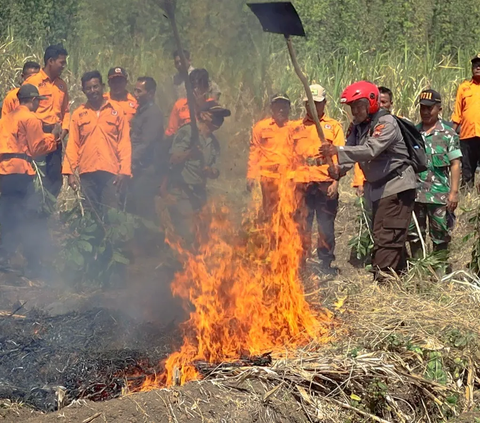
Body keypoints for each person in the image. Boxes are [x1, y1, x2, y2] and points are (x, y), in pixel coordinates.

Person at [320, 81, 416, 281]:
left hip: (396, 186)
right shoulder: (357, 127)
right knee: (384, 234)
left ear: (371, 103)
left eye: (359, 105)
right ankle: (400, 278)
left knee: (387, 235)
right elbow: (352, 152)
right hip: (377, 188)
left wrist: (336, 150)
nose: (355, 111)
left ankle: (383, 283)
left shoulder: (386, 123)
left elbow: (370, 150)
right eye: (352, 107)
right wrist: (338, 170)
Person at [0, 84, 60, 274]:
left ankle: (5, 256)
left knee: (7, 213)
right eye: (38, 102)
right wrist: (54, 139)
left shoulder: (5, 118)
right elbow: (37, 148)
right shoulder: (31, 118)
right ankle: (27, 259)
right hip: (21, 171)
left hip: (4, 171)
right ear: (33, 100)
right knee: (25, 215)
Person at [291, 85, 345, 274]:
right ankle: (300, 263)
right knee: (301, 225)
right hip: (302, 181)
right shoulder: (296, 127)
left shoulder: (333, 126)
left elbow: (341, 158)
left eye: (317, 104)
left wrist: (336, 182)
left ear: (324, 104)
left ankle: (325, 263)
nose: (312, 108)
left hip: (324, 181)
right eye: (309, 104)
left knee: (325, 225)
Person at [62, 71, 131, 217]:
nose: (93, 91)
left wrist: (124, 171)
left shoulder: (117, 111)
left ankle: (112, 241)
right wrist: (70, 172)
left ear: (102, 86)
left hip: (111, 173)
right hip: (87, 173)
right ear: (83, 91)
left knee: (111, 214)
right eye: (88, 88)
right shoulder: (79, 114)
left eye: (95, 86)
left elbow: (124, 143)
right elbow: (73, 144)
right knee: (90, 215)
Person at [166, 100, 230, 247]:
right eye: (216, 115)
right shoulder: (187, 132)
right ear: (203, 115)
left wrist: (210, 171)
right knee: (187, 233)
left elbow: (216, 171)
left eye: (221, 116)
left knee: (203, 233)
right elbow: (173, 159)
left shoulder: (214, 144)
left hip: (199, 193)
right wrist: (190, 153)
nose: (219, 119)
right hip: (182, 191)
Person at [408, 90, 461, 266]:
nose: (425, 112)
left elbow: (455, 164)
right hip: (416, 194)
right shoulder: (413, 133)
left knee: (440, 235)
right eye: (422, 108)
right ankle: (419, 269)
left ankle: (439, 271)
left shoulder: (448, 134)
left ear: (439, 109)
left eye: (430, 108)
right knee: (415, 234)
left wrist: (454, 192)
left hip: (439, 195)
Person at [26, 44, 70, 198]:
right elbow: (24, 111)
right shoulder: (32, 82)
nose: (64, 66)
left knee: (55, 179)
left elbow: (66, 112)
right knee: (37, 177)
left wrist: (63, 132)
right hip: (37, 137)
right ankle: (33, 213)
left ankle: (47, 213)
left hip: (56, 138)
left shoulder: (62, 85)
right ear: (50, 61)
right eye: (61, 62)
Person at [247, 93, 293, 220]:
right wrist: (251, 175)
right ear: (272, 108)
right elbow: (254, 152)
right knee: (269, 214)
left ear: (289, 108)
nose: (281, 109)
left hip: (289, 179)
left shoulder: (295, 128)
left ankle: (285, 239)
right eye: (278, 106)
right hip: (267, 179)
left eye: (284, 106)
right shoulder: (261, 127)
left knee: (288, 215)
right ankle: (270, 238)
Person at [129, 76, 164, 219]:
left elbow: (146, 143)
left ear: (150, 93)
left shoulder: (153, 114)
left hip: (146, 170)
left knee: (144, 211)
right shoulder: (142, 111)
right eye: (135, 91)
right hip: (138, 168)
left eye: (139, 91)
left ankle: (151, 240)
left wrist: (129, 161)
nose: (135, 95)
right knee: (134, 208)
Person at [451, 53, 480, 188]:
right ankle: (466, 198)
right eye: (475, 64)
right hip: (467, 135)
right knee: (467, 169)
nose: (478, 67)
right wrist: (450, 134)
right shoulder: (464, 87)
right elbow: (458, 113)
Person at [165, 68, 210, 138]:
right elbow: (171, 132)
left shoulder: (213, 107)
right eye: (193, 87)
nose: (195, 90)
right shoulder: (179, 105)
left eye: (199, 87)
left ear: (206, 88)